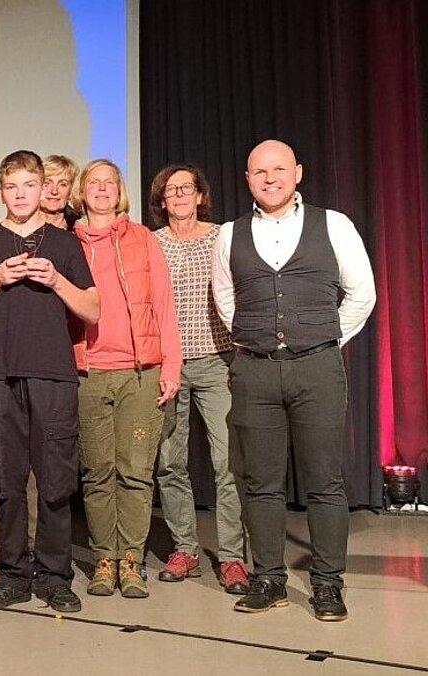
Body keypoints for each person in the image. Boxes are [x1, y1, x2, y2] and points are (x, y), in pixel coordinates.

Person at [213, 140, 375, 621]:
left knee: (325, 482)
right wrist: (259, 339)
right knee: (260, 483)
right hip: (254, 371)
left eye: (279, 169)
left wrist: (322, 340)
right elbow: (227, 300)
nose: (270, 178)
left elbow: (361, 295)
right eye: (259, 171)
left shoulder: (335, 224)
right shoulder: (229, 234)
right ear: (248, 178)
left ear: (298, 173)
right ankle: (268, 579)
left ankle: (327, 584)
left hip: (317, 369)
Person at [0, 150, 99, 613]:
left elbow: (94, 309)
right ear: (1, 193)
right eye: (11, 187)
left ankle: (56, 575)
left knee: (57, 478)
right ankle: (15, 573)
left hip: (53, 373)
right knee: (5, 478)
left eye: (29, 186)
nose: (21, 195)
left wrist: (58, 281)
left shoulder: (63, 244)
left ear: (43, 190)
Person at [71, 159, 181, 599]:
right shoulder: (68, 243)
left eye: (109, 182)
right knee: (97, 472)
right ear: (82, 192)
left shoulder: (143, 241)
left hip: (141, 372)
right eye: (93, 182)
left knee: (136, 472)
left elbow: (164, 305)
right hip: (89, 374)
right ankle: (104, 559)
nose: (101, 189)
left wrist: (170, 366)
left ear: (120, 192)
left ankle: (131, 560)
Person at [149, 165, 249, 594]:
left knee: (227, 463)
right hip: (167, 365)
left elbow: (239, 293)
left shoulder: (221, 236)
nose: (179, 196)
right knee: (170, 462)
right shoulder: (152, 243)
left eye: (186, 188)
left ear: (200, 195)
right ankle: (185, 549)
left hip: (217, 360)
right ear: (162, 201)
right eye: (170, 191)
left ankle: (231, 558)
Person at [41, 154, 81, 230]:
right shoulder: (17, 227)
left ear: (71, 191)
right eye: (47, 183)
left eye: (63, 184)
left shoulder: (79, 230)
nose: (54, 191)